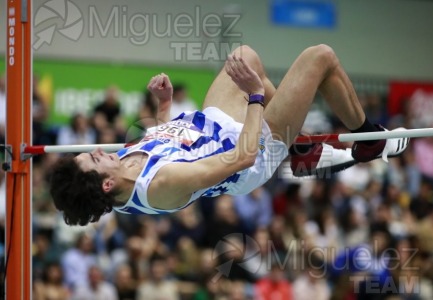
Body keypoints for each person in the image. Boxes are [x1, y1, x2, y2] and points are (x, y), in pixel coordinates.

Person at [50, 44, 409, 226]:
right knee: (320, 58)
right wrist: (255, 95)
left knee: (243, 55)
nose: (99, 149)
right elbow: (244, 156)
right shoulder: (162, 185)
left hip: (214, 125)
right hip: (250, 151)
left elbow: (163, 143)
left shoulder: (123, 169)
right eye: (95, 158)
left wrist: (165, 105)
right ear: (107, 185)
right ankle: (369, 140)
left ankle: (301, 146)